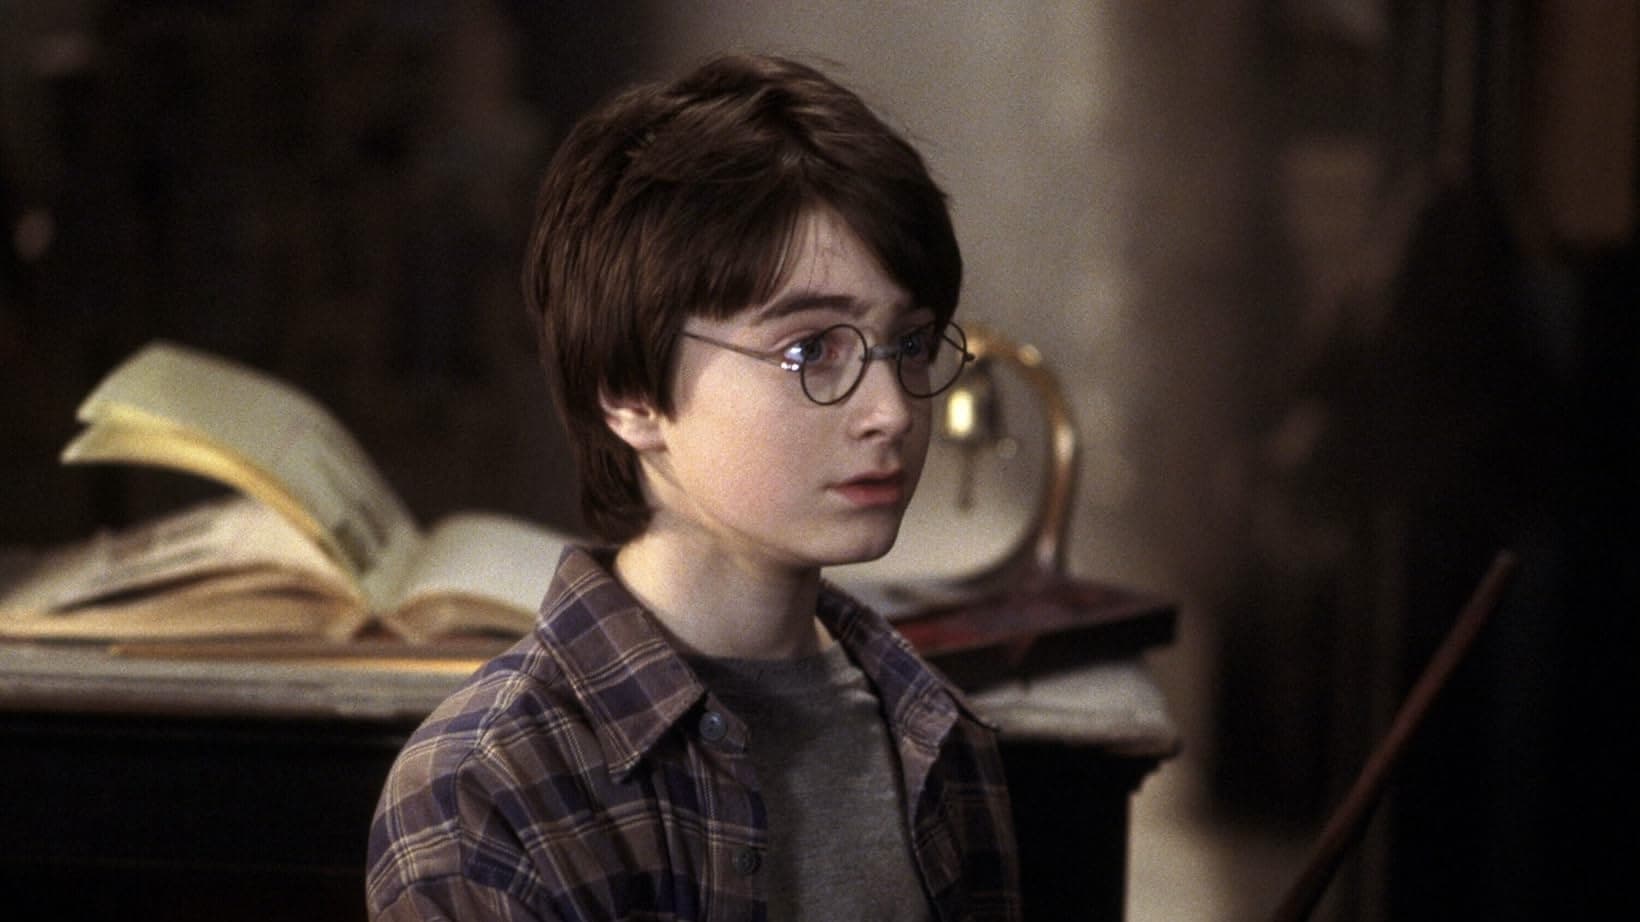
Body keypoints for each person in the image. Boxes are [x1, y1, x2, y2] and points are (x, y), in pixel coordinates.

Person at [366, 52, 1020, 921]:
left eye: (908, 345)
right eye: (810, 350)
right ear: (630, 394)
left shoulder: (935, 733)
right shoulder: (486, 795)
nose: (892, 412)